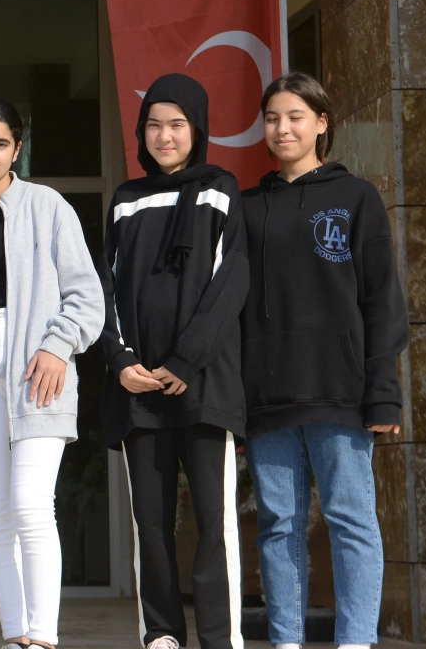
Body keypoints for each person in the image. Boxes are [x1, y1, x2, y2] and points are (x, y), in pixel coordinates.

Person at [241, 72, 407, 649]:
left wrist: (383, 392)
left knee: (350, 520)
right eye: (272, 118)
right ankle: (285, 641)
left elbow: (382, 301)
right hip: (268, 394)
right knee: (277, 525)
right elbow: (232, 311)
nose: (282, 128)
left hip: (341, 390)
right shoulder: (247, 208)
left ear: (321, 123)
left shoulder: (356, 197)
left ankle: (355, 640)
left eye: (295, 117)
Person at [0, 98, 105, 649]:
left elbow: (87, 295)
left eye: (0, 143)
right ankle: (15, 636)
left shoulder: (46, 205)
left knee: (31, 503)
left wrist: (58, 346)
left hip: (37, 361)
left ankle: (44, 637)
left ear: (17, 148)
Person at [100, 73, 249, 649]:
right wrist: (120, 360)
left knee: (215, 522)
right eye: (154, 125)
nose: (164, 136)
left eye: (177, 125)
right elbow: (105, 289)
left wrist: (187, 360)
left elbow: (230, 282)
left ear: (197, 130)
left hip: (204, 382)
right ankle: (161, 632)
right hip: (139, 385)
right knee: (151, 522)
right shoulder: (125, 200)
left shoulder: (220, 190)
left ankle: (219, 638)